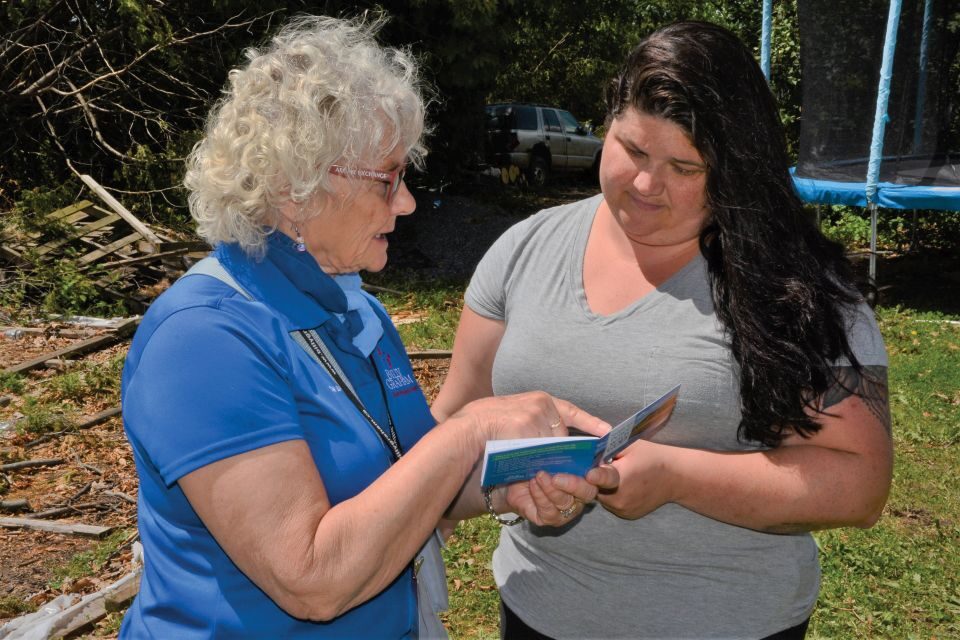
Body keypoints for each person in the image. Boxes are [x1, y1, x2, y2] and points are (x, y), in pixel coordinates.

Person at [118, 15, 615, 639]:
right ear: (295, 187)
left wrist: (501, 487)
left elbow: (406, 485)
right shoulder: (203, 340)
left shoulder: (357, 314)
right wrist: (470, 431)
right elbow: (313, 580)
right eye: (389, 178)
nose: (405, 202)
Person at [433, 20, 893, 640]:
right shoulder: (524, 249)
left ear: (735, 168)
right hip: (535, 614)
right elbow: (453, 425)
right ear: (607, 125)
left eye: (684, 166)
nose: (647, 184)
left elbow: (860, 485)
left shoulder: (796, 289)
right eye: (634, 150)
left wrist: (676, 478)